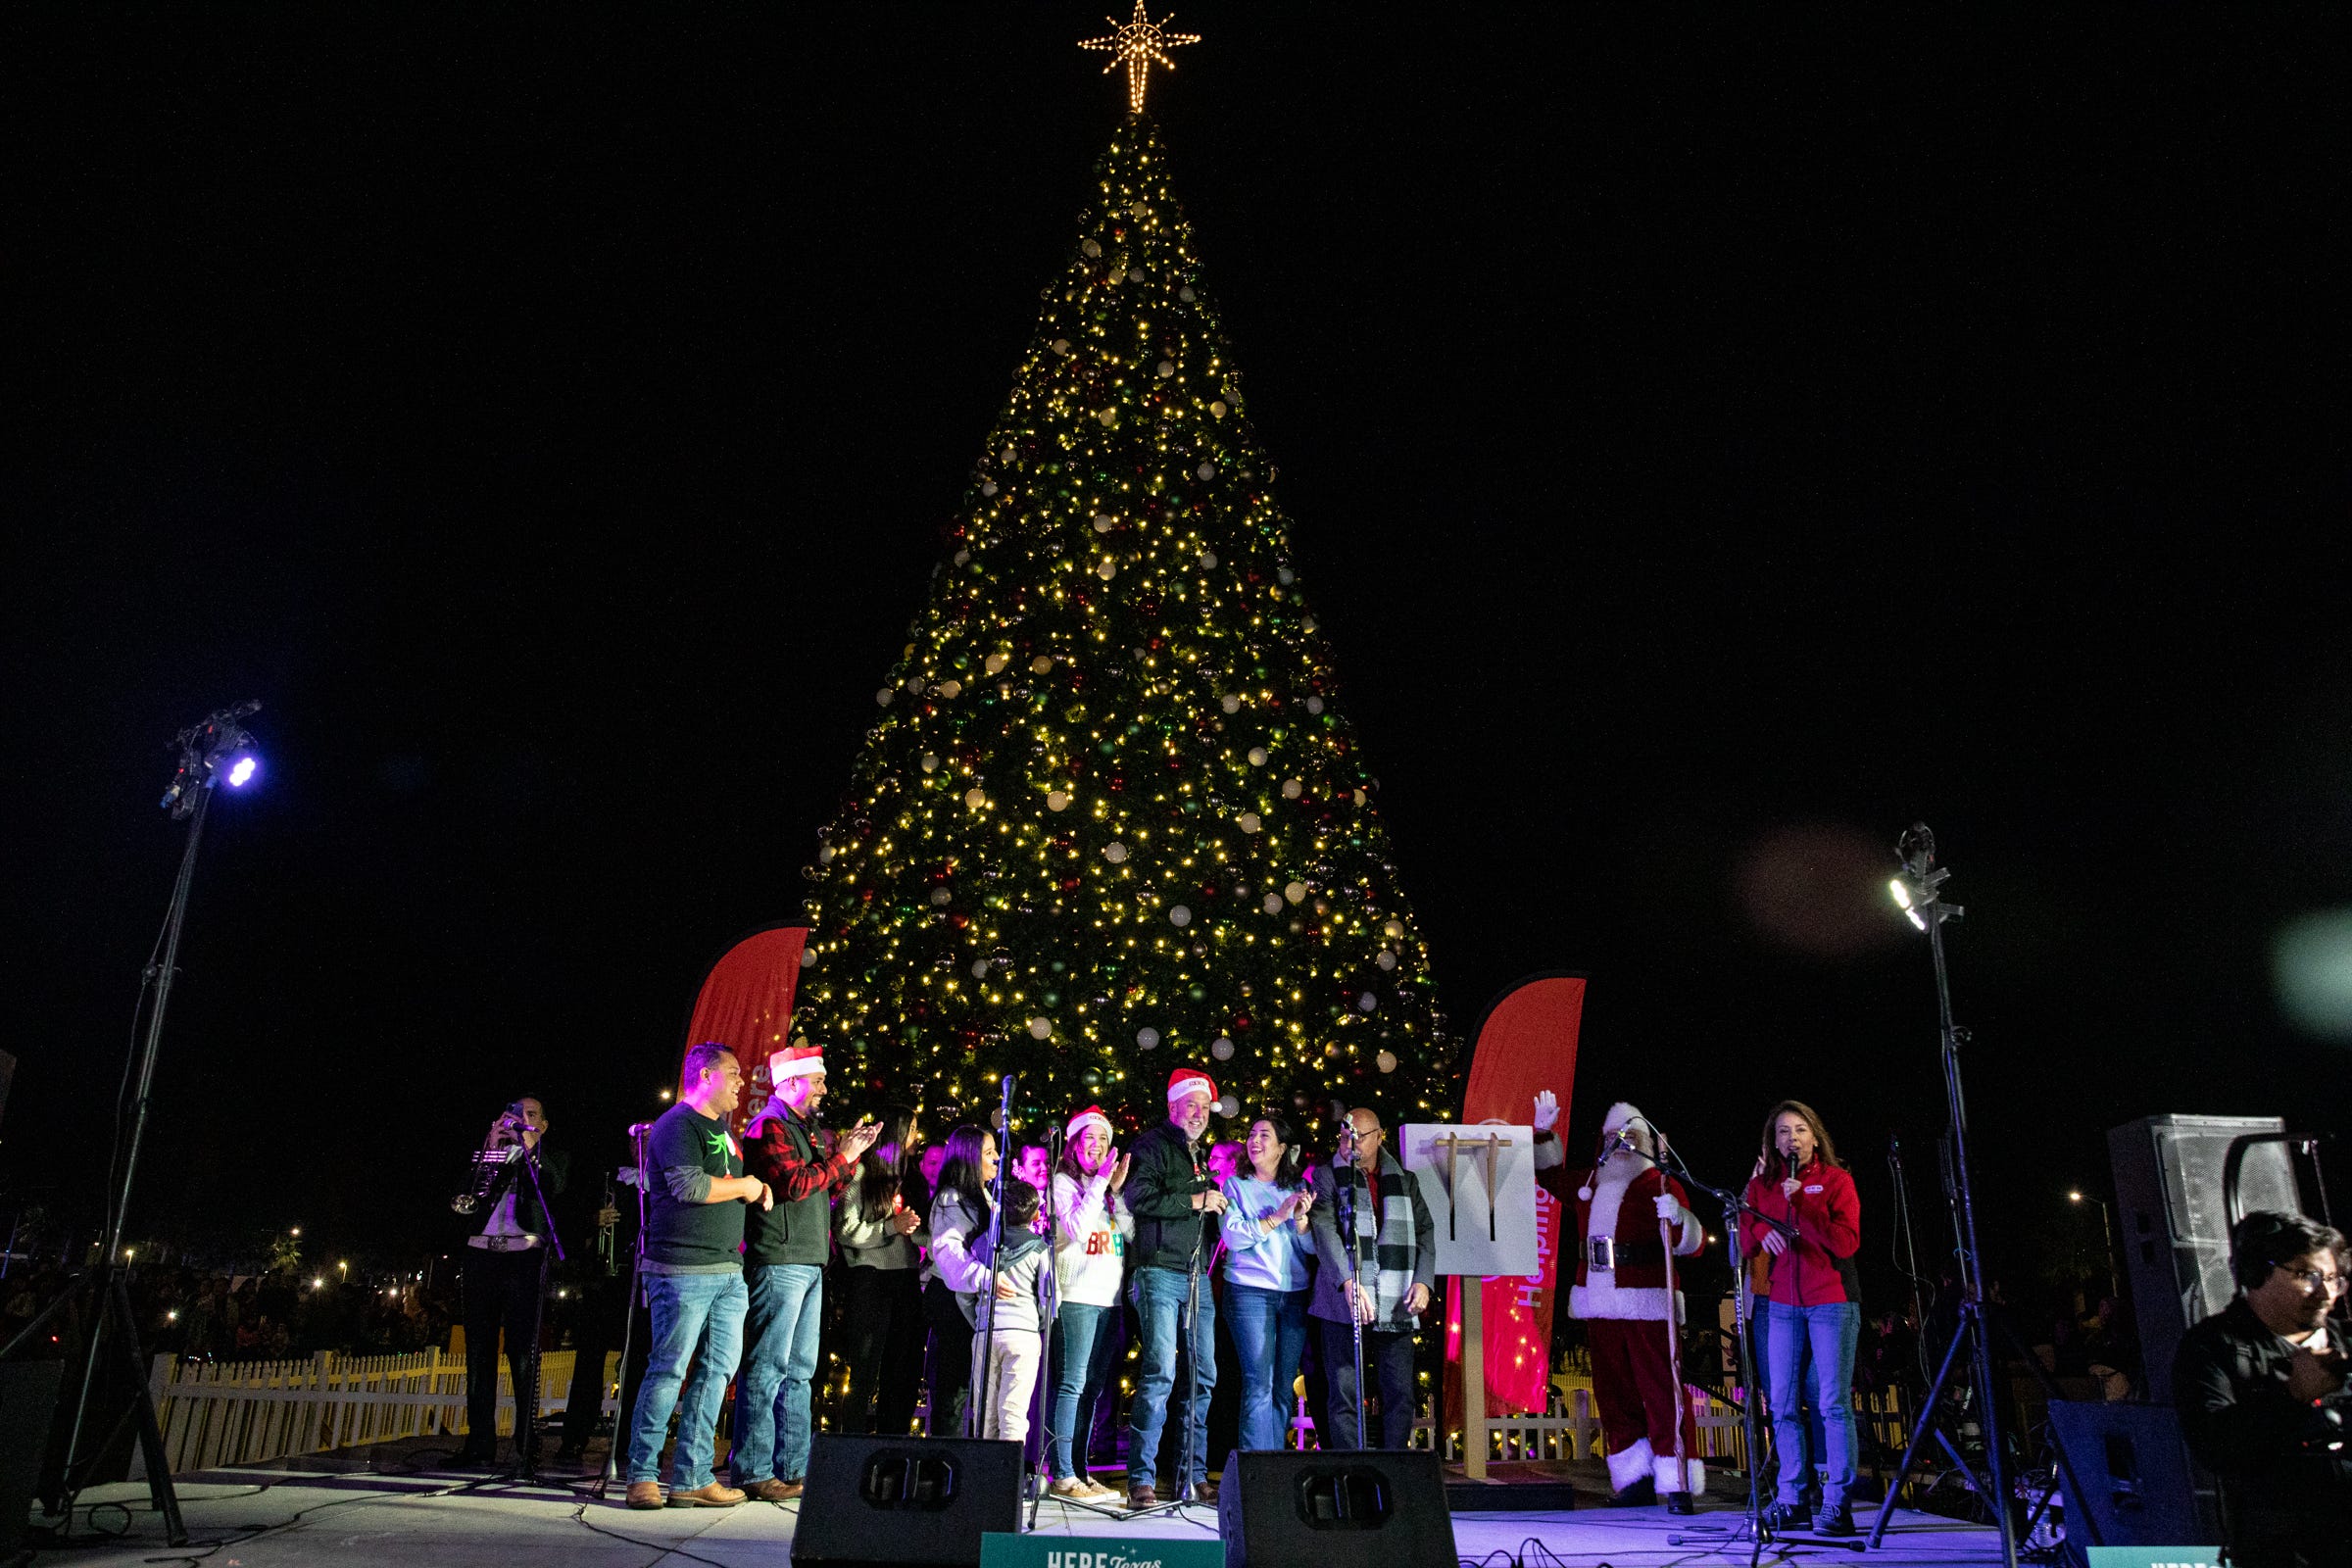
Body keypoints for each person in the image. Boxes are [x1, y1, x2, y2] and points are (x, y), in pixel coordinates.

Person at [1536, 1096, 1706, 1511]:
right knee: (1614, 1393)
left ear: (1647, 1142)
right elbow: (1551, 1177)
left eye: (1630, 1136)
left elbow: (1694, 1246)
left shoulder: (1661, 1183)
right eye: (1613, 1137)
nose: (1621, 1143)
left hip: (1648, 1301)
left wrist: (1680, 1219)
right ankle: (1635, 1478)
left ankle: (1677, 1477)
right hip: (1600, 1301)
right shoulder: (1590, 1183)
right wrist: (1542, 1132)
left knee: (1663, 1390)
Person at [622, 1044, 773, 1510]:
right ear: (706, 1075)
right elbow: (689, 1185)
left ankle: (691, 1477)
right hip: (681, 1268)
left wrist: (756, 1189)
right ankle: (643, 1475)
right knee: (668, 1369)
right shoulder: (677, 1125)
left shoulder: (721, 1130)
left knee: (715, 1374)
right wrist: (749, 1186)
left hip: (727, 1270)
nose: (738, 1083)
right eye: (731, 1073)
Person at [730, 1044, 879, 1501]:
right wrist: (843, 1156)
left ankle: (792, 1469)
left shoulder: (804, 1128)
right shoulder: (770, 1125)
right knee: (768, 1367)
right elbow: (793, 1184)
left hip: (810, 1259)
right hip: (780, 1259)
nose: (824, 1090)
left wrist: (848, 1156)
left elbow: (824, 1183)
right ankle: (754, 1470)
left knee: (800, 1370)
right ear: (790, 1082)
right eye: (817, 1081)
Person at [2173, 1210, 2351, 1566]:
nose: (2326, 1292)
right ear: (2256, 1272)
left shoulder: (2345, 1340)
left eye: (2334, 1278)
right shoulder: (2211, 1347)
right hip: (2281, 1552)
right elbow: (2215, 1447)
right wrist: (2291, 1396)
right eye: (2307, 1275)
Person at [1740, 1099, 1862, 1536]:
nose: (1792, 1139)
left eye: (1800, 1130)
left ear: (1815, 1136)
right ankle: (1792, 1498)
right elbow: (1743, 1238)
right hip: (1783, 1304)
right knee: (1783, 1405)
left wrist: (1804, 1208)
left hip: (1831, 1301)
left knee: (1831, 1402)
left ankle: (1837, 1502)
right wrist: (1758, 1229)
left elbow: (1846, 1243)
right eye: (1783, 1132)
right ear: (1773, 1142)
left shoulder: (1836, 1180)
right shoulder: (1761, 1187)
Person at [1122, 1067, 1225, 1507]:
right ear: (1173, 1106)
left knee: (1203, 1376)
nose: (1199, 1114)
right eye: (1192, 1106)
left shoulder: (1198, 1153)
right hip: (1158, 1271)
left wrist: (1216, 1196)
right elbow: (1137, 1199)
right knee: (1162, 1371)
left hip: (1196, 1276)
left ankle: (1192, 1475)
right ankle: (1141, 1478)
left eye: (1204, 1108)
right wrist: (1195, 1200)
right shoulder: (1152, 1145)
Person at [1307, 1105, 1436, 1451]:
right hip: (1341, 1300)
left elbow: (1424, 1232)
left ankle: (1393, 1468)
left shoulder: (1405, 1180)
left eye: (1358, 1136)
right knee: (1344, 1392)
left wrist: (1423, 1281)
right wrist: (1349, 1283)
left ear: (1379, 1136)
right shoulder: (1327, 1176)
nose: (1350, 1143)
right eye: (1344, 1136)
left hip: (1396, 1299)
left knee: (1399, 1392)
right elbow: (1324, 1229)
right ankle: (1350, 1467)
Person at [457, 1096, 566, 1472]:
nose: (521, 1121)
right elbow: (462, 1199)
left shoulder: (550, 1158)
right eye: (514, 1116)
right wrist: (490, 1146)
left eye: (531, 1116)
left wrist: (530, 1149)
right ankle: (479, 1444)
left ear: (544, 1125)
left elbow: (555, 1187)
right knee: (479, 1352)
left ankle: (526, 1444)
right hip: (481, 1255)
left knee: (523, 1353)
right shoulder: (487, 1155)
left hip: (523, 1257)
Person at [1047, 1105, 1132, 1499]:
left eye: (1104, 1140)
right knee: (1072, 1384)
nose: (1097, 1146)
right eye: (1089, 1139)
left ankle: (1080, 1471)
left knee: (1093, 1388)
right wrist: (1098, 1185)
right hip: (1077, 1297)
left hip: (1108, 1299)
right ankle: (1061, 1472)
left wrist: (1115, 1192)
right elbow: (1077, 1231)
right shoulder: (1063, 1183)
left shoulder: (1104, 1188)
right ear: (1074, 1144)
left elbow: (1129, 1234)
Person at [1220, 1114, 1314, 1455]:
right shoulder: (1235, 1186)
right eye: (1252, 1135)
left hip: (1293, 1294)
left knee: (1282, 1387)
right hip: (1249, 1291)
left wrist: (1301, 1218)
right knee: (1259, 1383)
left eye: (1265, 1135)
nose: (1255, 1141)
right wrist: (1277, 1217)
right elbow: (1232, 1237)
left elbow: (1311, 1249)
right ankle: (1256, 1471)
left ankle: (1277, 1464)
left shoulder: (1297, 1189)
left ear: (1282, 1148)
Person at [834, 1105, 928, 1435]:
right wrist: (890, 1227)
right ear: (896, 1134)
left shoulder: (913, 1179)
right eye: (911, 1128)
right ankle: (852, 1443)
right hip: (871, 1279)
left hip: (905, 1279)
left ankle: (892, 1440)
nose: (917, 1136)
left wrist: (926, 1235)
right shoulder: (863, 1174)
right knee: (864, 1368)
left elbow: (915, 1230)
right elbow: (845, 1230)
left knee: (901, 1367)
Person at [921, 1124, 999, 1437]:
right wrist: (986, 1278)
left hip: (972, 1297)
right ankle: (941, 1463)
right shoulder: (951, 1198)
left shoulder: (983, 1193)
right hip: (952, 1299)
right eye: (989, 1152)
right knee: (952, 1387)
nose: (996, 1159)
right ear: (969, 1158)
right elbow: (949, 1251)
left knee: (966, 1383)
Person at [969, 1179, 1051, 1443]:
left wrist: (976, 1319)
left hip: (986, 1331)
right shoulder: (1039, 1248)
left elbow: (965, 1291)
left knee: (985, 1411)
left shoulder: (981, 1245)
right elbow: (1048, 1299)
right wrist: (1037, 1322)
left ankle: (982, 1475)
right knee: (1013, 1411)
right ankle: (1008, 1478)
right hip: (1023, 1334)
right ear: (1036, 1214)